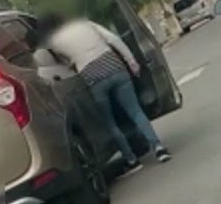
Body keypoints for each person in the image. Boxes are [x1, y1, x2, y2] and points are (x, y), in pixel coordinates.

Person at [37, 12, 171, 178]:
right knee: (135, 111)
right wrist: (131, 61)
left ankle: (131, 160)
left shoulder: (54, 43)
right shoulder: (85, 23)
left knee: (110, 121)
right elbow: (114, 39)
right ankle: (158, 148)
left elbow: (63, 64)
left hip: (93, 78)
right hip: (115, 67)